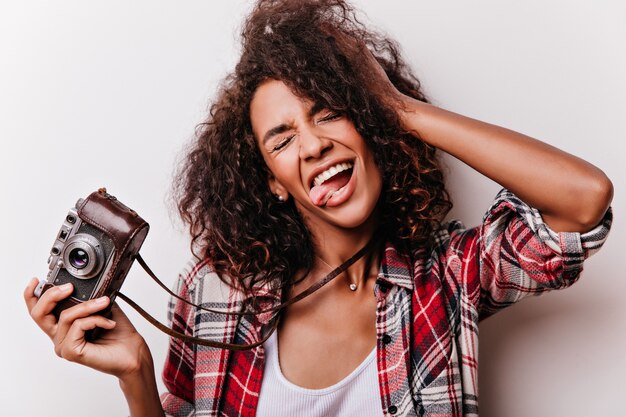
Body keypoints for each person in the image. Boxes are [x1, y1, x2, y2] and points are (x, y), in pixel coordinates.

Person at [24, 0, 613, 416]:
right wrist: (135, 378)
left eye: (330, 110)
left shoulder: (447, 278)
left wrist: (397, 109)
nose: (312, 144)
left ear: (372, 129)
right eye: (281, 139)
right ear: (274, 182)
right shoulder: (213, 292)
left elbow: (582, 201)